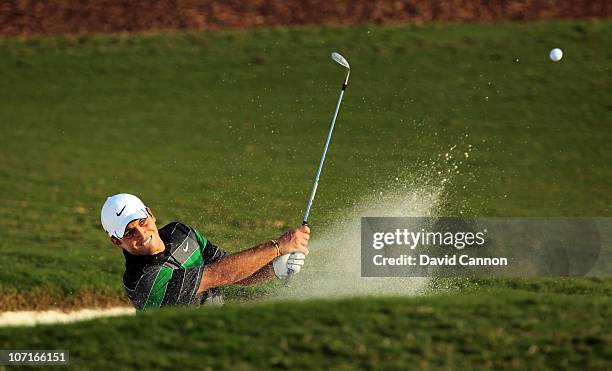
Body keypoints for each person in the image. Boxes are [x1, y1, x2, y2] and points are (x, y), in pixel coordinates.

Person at [100, 193, 309, 310]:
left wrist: (274, 268)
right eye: (129, 232)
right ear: (116, 241)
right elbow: (221, 274)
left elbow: (239, 276)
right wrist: (278, 246)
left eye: (142, 222)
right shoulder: (144, 280)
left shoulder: (180, 232)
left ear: (151, 214)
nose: (141, 233)